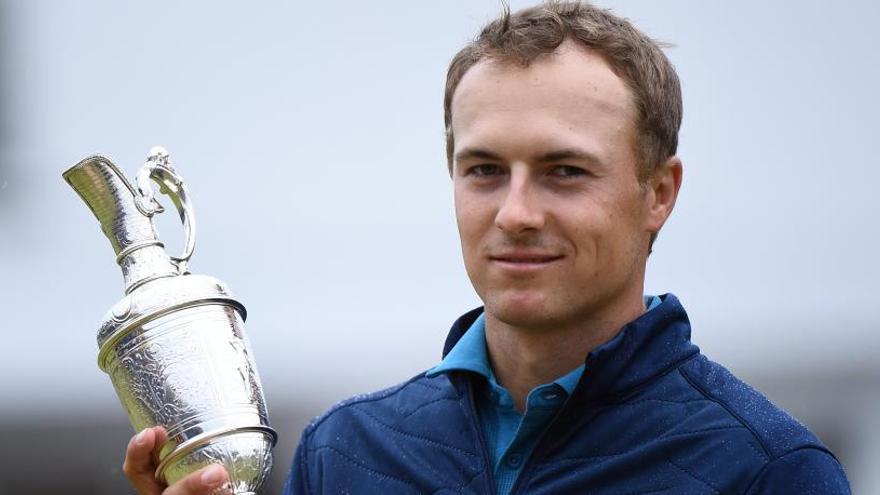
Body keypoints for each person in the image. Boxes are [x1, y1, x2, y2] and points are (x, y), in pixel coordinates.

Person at [123, 2, 852, 494]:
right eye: (485, 170)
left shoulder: (767, 470)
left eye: (564, 171)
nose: (516, 212)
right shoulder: (345, 453)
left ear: (659, 192)